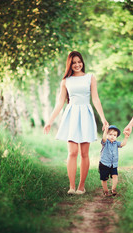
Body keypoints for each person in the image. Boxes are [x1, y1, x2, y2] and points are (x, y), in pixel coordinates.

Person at [44, 51, 108, 195]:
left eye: (79, 62)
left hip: (86, 114)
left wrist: (103, 118)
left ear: (82, 62)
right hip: (71, 115)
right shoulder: (66, 81)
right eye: (74, 62)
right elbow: (60, 103)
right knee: (72, 152)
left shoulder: (90, 78)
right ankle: (72, 187)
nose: (77, 64)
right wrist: (49, 121)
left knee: (84, 153)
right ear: (70, 64)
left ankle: (81, 186)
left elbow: (96, 99)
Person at [99, 124, 130, 196]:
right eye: (110, 134)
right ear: (106, 135)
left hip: (113, 164)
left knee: (115, 176)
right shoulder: (105, 142)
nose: (112, 136)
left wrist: (126, 137)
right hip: (104, 164)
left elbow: (122, 144)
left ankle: (113, 189)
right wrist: (105, 131)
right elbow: (103, 139)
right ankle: (106, 191)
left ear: (116, 137)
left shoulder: (116, 143)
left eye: (114, 135)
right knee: (104, 178)